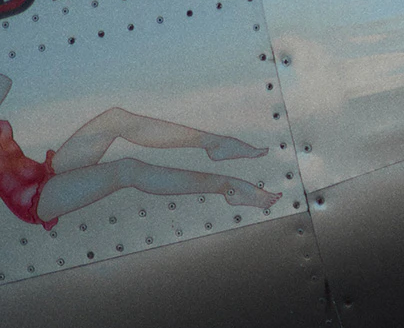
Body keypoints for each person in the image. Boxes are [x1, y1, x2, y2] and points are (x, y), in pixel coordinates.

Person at [0, 72, 278, 231]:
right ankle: (229, 187)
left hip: (43, 173)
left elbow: (4, 82)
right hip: (33, 199)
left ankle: (216, 144)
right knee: (127, 170)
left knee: (115, 118)